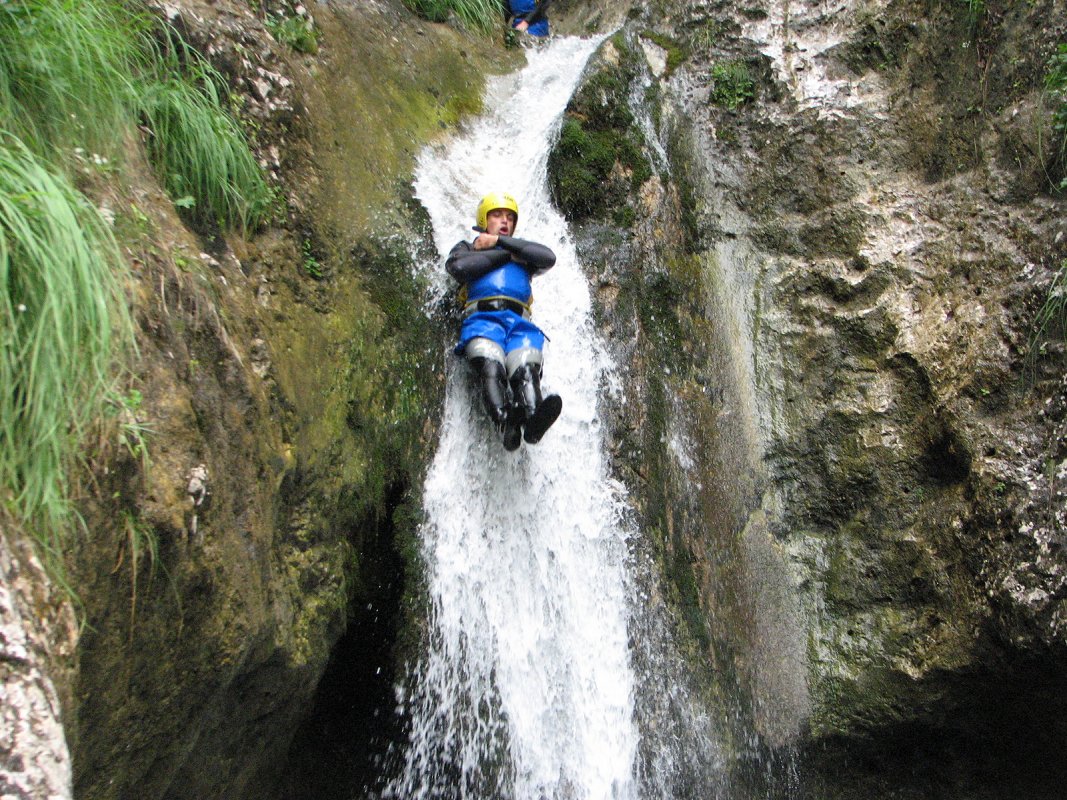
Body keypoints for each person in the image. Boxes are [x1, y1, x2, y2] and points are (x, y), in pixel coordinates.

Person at [446, 191, 563, 451]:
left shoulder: (524, 253)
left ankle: (533, 421)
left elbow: (548, 258)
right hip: (484, 320)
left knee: (526, 372)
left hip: (520, 324)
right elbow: (459, 268)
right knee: (491, 367)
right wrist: (504, 253)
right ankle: (505, 421)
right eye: (497, 215)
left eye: (509, 217)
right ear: (483, 220)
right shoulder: (468, 247)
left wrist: (502, 243)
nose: (504, 220)